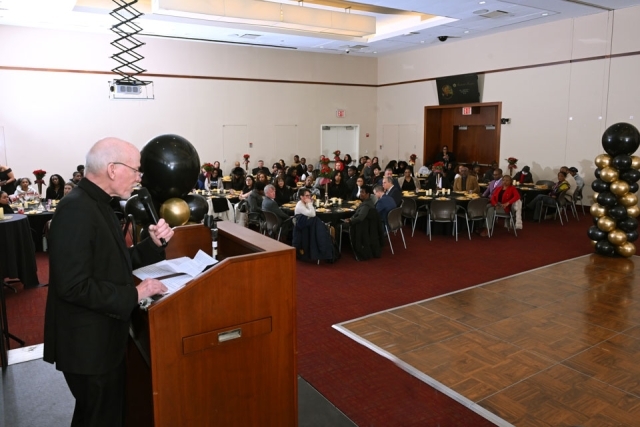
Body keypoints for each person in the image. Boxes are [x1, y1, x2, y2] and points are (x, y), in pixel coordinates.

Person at [43, 137, 174, 427]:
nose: (139, 178)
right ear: (113, 169)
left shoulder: (97, 203)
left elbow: (113, 262)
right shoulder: (76, 209)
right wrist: (135, 293)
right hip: (87, 345)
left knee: (99, 415)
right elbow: (73, 285)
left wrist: (151, 244)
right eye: (136, 170)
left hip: (99, 339)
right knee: (100, 417)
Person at [343, 185, 383, 261]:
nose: (360, 194)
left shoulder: (366, 205)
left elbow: (360, 217)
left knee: (338, 226)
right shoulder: (368, 203)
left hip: (360, 226)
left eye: (362, 192)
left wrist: (350, 220)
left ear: (368, 194)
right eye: (360, 192)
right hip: (365, 226)